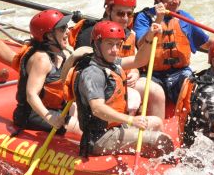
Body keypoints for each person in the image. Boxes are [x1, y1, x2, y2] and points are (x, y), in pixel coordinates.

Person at [70, 21, 174, 157]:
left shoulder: (111, 63)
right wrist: (131, 120)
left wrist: (149, 37)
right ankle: (160, 174)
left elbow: (139, 60)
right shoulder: (92, 73)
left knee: (156, 122)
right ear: (96, 44)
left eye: (118, 44)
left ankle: (150, 162)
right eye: (109, 44)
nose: (115, 50)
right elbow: (97, 108)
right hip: (100, 138)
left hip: (116, 127)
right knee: (162, 140)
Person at [67, 0, 165, 118]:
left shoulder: (128, 33)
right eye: (120, 13)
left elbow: (134, 61)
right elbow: (85, 73)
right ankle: (126, 130)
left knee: (156, 91)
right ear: (108, 10)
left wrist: (135, 72)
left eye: (129, 14)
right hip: (97, 89)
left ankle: (154, 134)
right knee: (133, 98)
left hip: (121, 80)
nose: (125, 18)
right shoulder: (91, 34)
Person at [133, 0, 211, 106]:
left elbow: (206, 44)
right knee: (142, 89)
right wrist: (158, 19)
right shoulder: (144, 17)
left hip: (181, 73)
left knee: (197, 91)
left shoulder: (185, 17)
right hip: (153, 74)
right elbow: (141, 44)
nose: (176, 1)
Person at [13, 9, 79, 134]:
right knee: (81, 129)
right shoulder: (41, 59)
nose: (68, 31)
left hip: (55, 108)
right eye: (62, 28)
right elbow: (31, 95)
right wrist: (50, 118)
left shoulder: (60, 54)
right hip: (31, 114)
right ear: (49, 36)